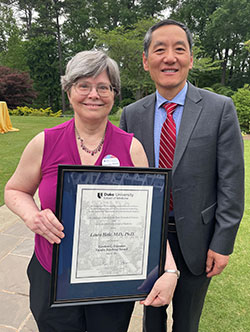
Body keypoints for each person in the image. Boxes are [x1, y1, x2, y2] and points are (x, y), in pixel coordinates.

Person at [4, 50, 178, 332]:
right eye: (83, 85)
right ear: (69, 90)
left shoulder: (131, 148)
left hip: (112, 279)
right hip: (52, 274)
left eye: (103, 87)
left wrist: (169, 269)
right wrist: (31, 216)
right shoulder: (44, 142)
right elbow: (14, 190)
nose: (93, 94)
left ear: (114, 93)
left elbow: (152, 219)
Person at [120, 19, 244, 332]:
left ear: (190, 57)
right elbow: (122, 181)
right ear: (147, 61)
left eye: (179, 49)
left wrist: (223, 242)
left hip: (199, 241)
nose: (170, 57)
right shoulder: (132, 114)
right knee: (151, 315)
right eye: (159, 50)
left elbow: (231, 182)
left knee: (187, 321)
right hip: (149, 239)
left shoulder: (220, 109)